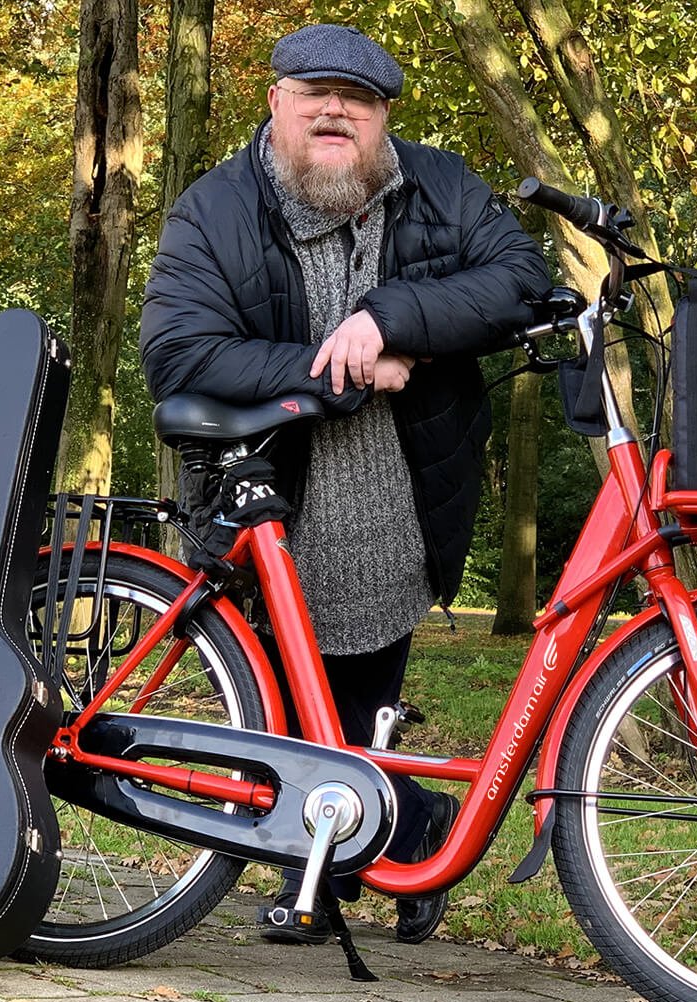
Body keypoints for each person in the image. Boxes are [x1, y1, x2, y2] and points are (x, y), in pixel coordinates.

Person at [139, 24, 551, 947]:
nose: (336, 110)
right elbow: (176, 352)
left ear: (382, 119)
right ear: (277, 102)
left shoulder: (440, 187)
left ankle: (339, 862)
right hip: (265, 499)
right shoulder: (214, 209)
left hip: (403, 508)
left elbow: (523, 280)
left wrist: (391, 316)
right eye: (315, 92)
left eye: (357, 101)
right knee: (283, 714)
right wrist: (342, 371)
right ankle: (404, 836)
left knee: (362, 712)